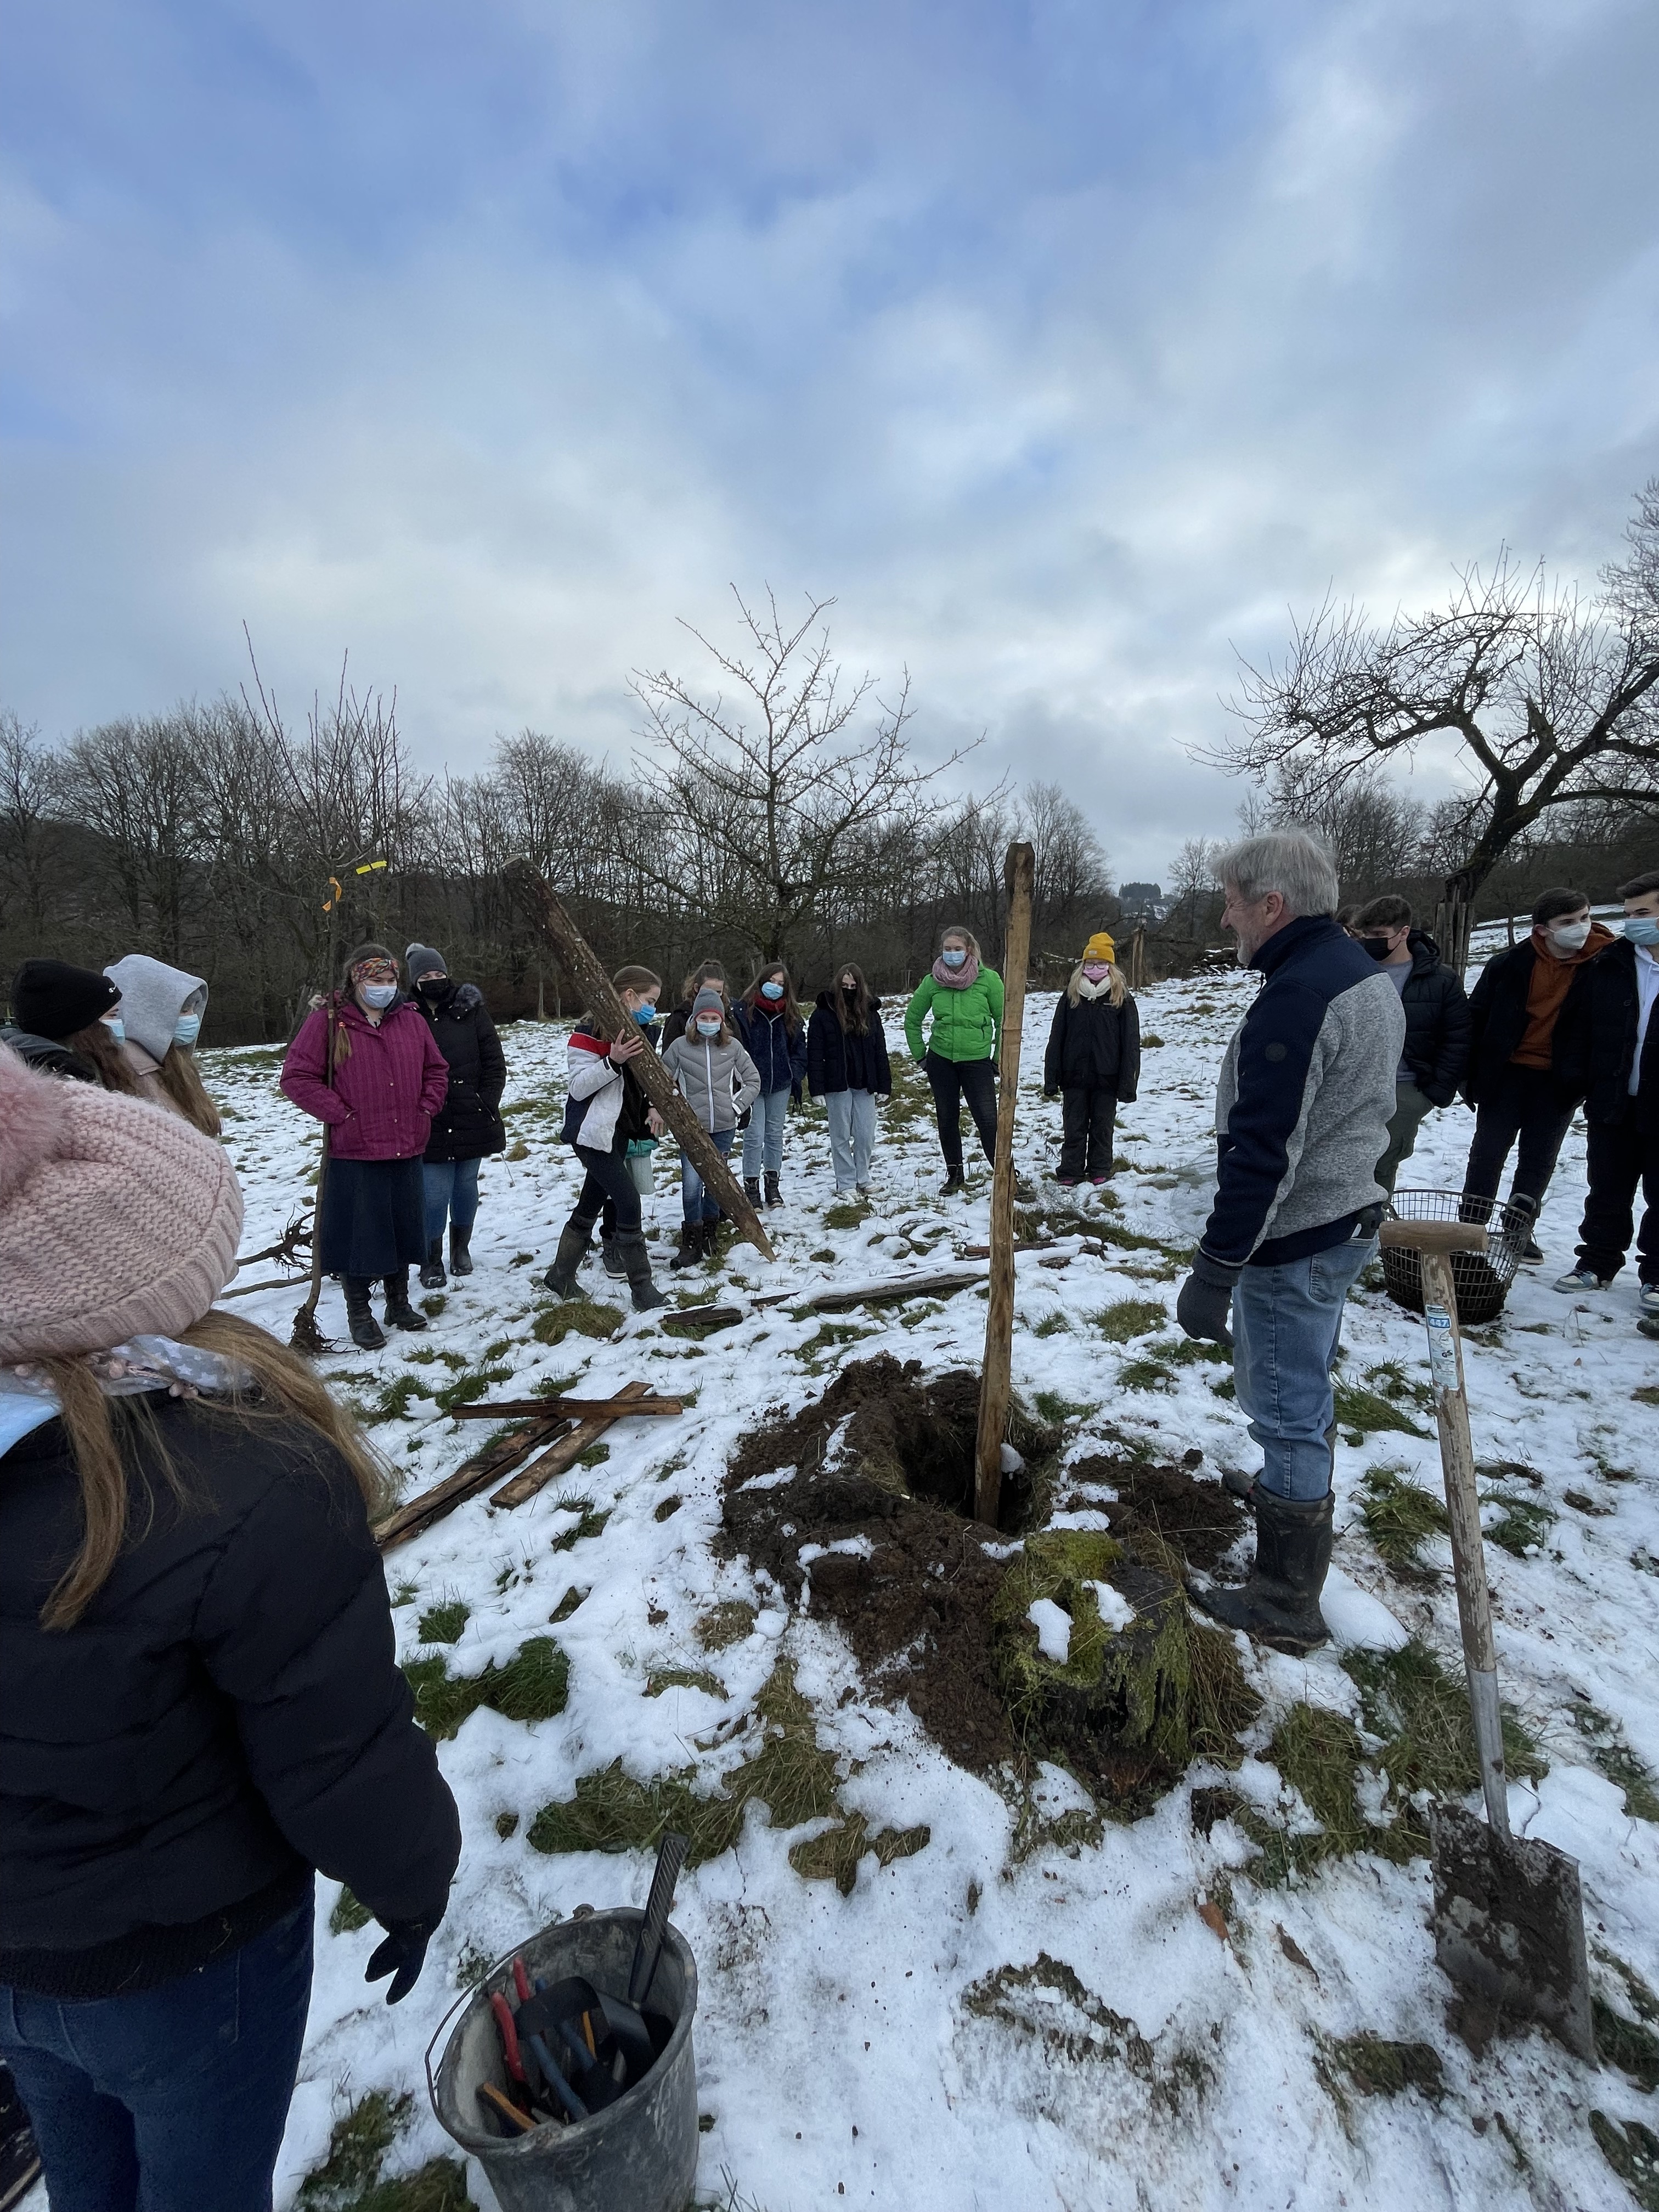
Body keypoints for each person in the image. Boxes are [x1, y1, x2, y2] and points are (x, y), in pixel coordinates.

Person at [0, 1047, 460, 2212]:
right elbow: (338, 1748)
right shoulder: (245, 1477)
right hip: (193, 1956)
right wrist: (412, 1877)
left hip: (16, 1957)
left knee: (85, 2182)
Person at [1176, 830, 1404, 1654]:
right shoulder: (1351, 971)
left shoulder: (1302, 994)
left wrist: (1217, 1267)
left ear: (1272, 905)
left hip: (1295, 1236)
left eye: (1234, 902)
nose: (1225, 915)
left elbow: (1265, 1151)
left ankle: (1283, 1599)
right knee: (1299, 1390)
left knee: (1285, 1404)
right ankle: (1285, 1492)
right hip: (1337, 1220)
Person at [280, 944, 450, 1350]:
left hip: (407, 1144)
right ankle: (360, 1313)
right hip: (355, 1150)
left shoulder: (411, 1020)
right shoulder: (329, 1022)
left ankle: (399, 1302)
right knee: (361, 1235)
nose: (385, 987)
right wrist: (341, 1114)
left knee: (403, 1226)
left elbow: (436, 1070)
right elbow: (297, 1077)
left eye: (391, 980)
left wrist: (425, 1110)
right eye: (376, 980)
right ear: (357, 980)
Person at [1462, 887, 1615, 1256]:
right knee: (1488, 1152)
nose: (1580, 928)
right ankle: (1471, 1226)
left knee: (1539, 1159)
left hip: (1560, 1079)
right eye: (1567, 923)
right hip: (1506, 1074)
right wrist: (1470, 1074)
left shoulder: (1605, 964)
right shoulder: (1509, 965)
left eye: (1584, 918)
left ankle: (1518, 1229)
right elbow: (1476, 1018)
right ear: (1543, 929)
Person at [1553, 869, 1659, 1316]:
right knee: (1607, 1187)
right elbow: (1578, 1030)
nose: (1634, 921)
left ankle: (1656, 1275)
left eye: (1645, 913)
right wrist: (1580, 1083)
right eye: (1631, 913)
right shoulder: (1609, 963)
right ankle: (1597, 1262)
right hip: (1613, 1098)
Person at [540, 965, 670, 1311]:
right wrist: (612, 1061)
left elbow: (648, 1082)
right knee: (628, 1203)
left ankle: (561, 1274)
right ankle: (642, 1289)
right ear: (628, 997)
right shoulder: (587, 1035)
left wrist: (655, 1103)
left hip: (621, 1134)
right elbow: (578, 1088)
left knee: (590, 1203)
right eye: (649, 1001)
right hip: (591, 1135)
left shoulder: (643, 1034)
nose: (653, 1009)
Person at [1347, 896, 1472, 1194]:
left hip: (1405, 1087)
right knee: (1346, 1162)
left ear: (1404, 933)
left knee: (1381, 1165)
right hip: (1354, 1085)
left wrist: (1430, 1094)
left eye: (1380, 935)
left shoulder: (1439, 980)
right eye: (1365, 935)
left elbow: (1458, 1037)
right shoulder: (1350, 971)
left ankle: (1372, 1229)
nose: (1371, 942)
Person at [404, 944, 507, 1288]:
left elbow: (494, 1061)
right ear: (414, 980)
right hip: (428, 1117)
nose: (434, 980)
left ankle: (460, 1249)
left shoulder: (471, 1009)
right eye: (425, 975)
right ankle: (430, 1258)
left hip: (471, 1113)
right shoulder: (404, 1014)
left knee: (465, 1186)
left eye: (438, 973)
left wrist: (486, 1101)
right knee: (433, 1194)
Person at [662, 986, 761, 1269]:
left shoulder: (731, 1047)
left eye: (713, 1018)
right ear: (694, 1020)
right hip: (693, 1130)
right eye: (703, 1018)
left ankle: (709, 1231)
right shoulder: (680, 1047)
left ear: (722, 1021)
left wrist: (736, 1107)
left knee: (716, 1183)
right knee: (692, 1184)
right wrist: (678, 1111)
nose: (708, 1024)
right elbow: (661, 1080)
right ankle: (691, 1236)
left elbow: (753, 1080)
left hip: (724, 1127)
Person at [904, 924, 1004, 1194]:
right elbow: (912, 1020)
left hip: (978, 1061)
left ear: (969, 950)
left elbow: (1004, 1020)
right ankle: (955, 1175)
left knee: (988, 1120)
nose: (952, 954)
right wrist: (922, 1057)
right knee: (947, 1119)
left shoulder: (989, 980)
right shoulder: (932, 981)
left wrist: (998, 1057)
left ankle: (1005, 1175)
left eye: (957, 949)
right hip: (941, 1061)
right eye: (947, 949)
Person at [1042, 930, 1141, 1186]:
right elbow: (1057, 1037)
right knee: (1074, 1126)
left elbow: (1131, 1044)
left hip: (1107, 1077)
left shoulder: (1122, 999)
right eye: (1090, 963)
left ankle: (1100, 1168)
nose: (1095, 968)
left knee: (1102, 1127)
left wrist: (1128, 1083)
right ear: (1082, 965)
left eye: (1101, 963)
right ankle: (1070, 1171)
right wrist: (1051, 1077)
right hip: (1074, 1075)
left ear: (1110, 966)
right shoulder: (1071, 996)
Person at [102, 953, 222, 1135]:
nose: (192, 1017)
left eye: (192, 1009)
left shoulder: (171, 1062)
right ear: (148, 1014)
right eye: (182, 1010)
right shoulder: (135, 1073)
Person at [807, 963, 891, 1194]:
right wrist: (816, 1089)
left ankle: (862, 1176)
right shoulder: (822, 1015)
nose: (849, 989)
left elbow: (880, 1051)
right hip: (837, 1085)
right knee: (841, 1135)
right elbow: (814, 1053)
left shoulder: (871, 1014)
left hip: (865, 1083)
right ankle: (845, 1182)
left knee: (866, 1134)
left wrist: (885, 1084)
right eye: (844, 986)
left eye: (853, 986)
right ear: (837, 985)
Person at [732, 962, 808, 1209]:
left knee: (775, 1135)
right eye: (772, 981)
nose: (775, 987)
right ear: (761, 981)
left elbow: (799, 1050)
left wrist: (793, 1074)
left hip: (781, 1084)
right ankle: (751, 1187)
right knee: (754, 1136)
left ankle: (772, 1186)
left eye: (781, 984)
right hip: (752, 1085)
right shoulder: (744, 1012)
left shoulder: (791, 1015)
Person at [3, 960, 139, 1093]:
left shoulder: (31, 1072)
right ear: (78, 1025)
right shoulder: (68, 1087)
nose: (119, 1023)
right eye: (112, 1016)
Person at [661, 960, 732, 1050]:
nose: (713, 995)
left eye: (718, 992)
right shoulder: (680, 1017)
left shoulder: (729, 1018)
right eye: (708, 990)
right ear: (696, 988)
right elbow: (669, 1055)